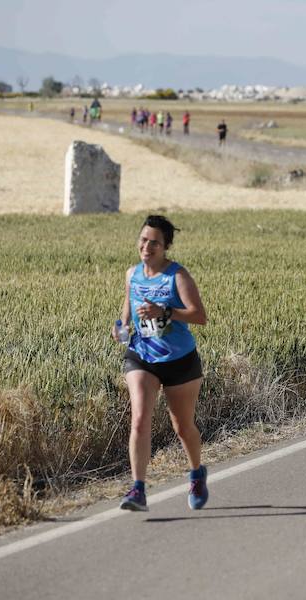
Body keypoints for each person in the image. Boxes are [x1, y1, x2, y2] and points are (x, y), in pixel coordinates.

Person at [114, 215, 209, 511]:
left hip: (179, 359)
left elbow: (199, 316)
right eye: (144, 240)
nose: (147, 246)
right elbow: (126, 311)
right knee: (140, 419)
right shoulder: (132, 274)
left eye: (155, 242)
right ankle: (138, 490)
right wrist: (121, 327)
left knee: (182, 427)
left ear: (166, 246)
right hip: (142, 356)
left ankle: (196, 473)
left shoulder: (177, 276)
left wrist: (165, 311)